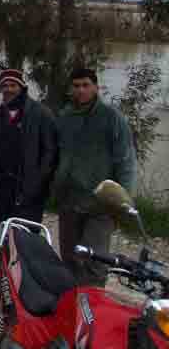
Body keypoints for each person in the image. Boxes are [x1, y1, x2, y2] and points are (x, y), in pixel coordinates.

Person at [55, 67, 136, 287]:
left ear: (96, 87)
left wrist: (122, 202)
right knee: (70, 258)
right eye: (76, 86)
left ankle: (92, 314)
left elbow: (126, 161)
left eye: (86, 85)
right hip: (70, 202)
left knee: (94, 261)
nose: (81, 90)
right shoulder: (64, 118)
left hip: (100, 206)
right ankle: (70, 309)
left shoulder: (112, 118)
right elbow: (55, 155)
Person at [0, 68, 58, 239]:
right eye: (4, 86)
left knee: (26, 239)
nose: (8, 89)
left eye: (13, 85)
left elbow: (50, 154)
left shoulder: (41, 114)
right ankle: (4, 266)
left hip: (29, 192)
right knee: (2, 237)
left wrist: (37, 184)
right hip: (2, 190)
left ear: (22, 87)